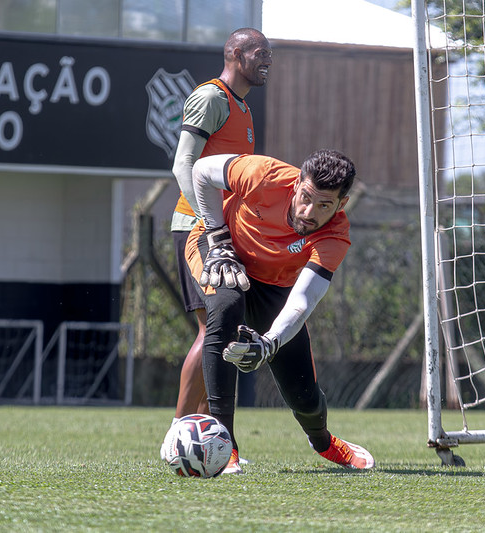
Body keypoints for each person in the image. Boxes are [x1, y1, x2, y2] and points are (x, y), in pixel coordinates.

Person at [185, 149, 375, 474]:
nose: (308, 212)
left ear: (341, 205)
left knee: (303, 393)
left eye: (324, 205)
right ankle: (224, 443)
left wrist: (270, 342)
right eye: (305, 197)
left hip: (274, 284)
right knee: (226, 307)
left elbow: (303, 300)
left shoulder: (335, 235)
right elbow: (201, 170)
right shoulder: (264, 174)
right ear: (298, 182)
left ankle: (323, 441)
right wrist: (218, 239)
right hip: (219, 248)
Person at [169, 28, 272, 423]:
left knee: (221, 330)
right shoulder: (211, 97)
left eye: (270, 55)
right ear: (234, 53)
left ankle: (205, 436)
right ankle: (179, 433)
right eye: (260, 53)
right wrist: (213, 227)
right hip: (198, 229)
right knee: (212, 329)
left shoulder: (243, 108)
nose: (267, 61)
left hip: (220, 232)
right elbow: (183, 164)